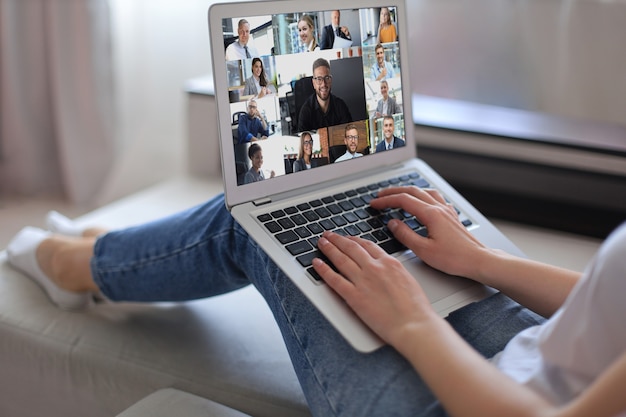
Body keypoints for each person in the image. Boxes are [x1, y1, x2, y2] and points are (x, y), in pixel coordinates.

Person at [7, 184, 626, 417]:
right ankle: (112, 249)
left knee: (249, 219)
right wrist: (482, 263)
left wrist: (413, 322)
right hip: (536, 354)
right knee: (353, 202)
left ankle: (79, 263)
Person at [297, 58, 352, 132]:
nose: (324, 84)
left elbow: (350, 135)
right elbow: (303, 141)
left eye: (327, 78)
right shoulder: (306, 111)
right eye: (319, 79)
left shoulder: (340, 106)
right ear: (314, 83)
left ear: (331, 80)